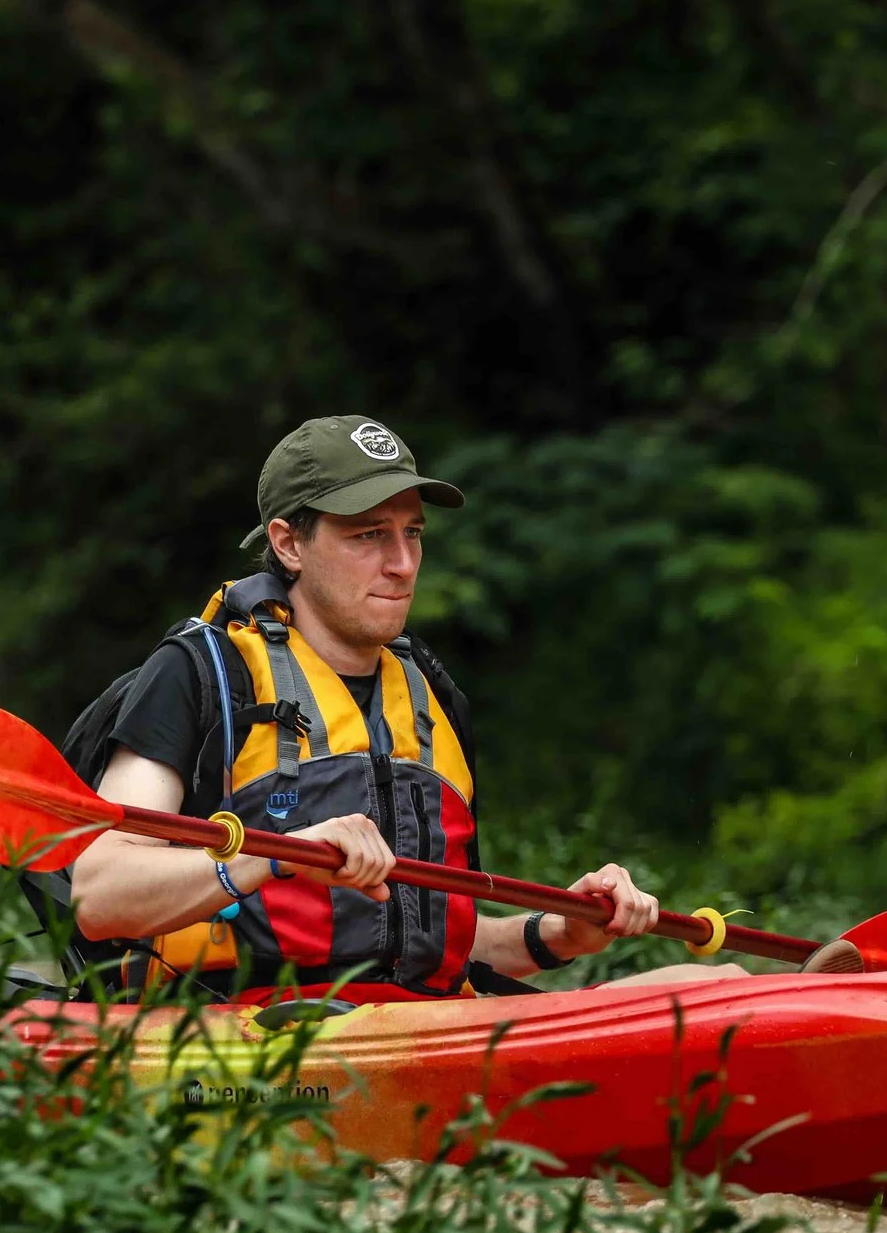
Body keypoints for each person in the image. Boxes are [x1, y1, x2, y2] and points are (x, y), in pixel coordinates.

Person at [65, 414, 669, 999]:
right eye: (369, 534)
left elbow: (436, 944)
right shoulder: (201, 674)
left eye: (412, 532)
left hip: (418, 1028)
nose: (403, 563)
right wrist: (273, 857)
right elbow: (100, 894)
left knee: (728, 989)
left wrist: (560, 932)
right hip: (248, 1028)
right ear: (289, 543)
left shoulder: (432, 697)